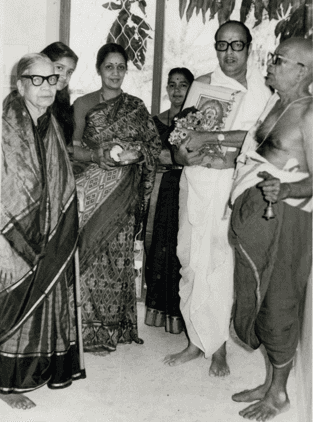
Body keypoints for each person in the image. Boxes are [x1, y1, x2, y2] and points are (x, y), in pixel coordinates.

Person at [164, 21, 273, 377]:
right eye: (222, 45)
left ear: (248, 48)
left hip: (239, 188)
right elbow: (182, 142)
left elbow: (263, 137)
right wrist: (188, 153)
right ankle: (196, 340)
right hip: (198, 182)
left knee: (223, 264)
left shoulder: (265, 90)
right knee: (192, 260)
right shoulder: (204, 86)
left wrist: (214, 138)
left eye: (236, 45)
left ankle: (220, 347)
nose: (229, 53)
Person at [227, 37, 312, 421]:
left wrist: (288, 188)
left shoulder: (309, 113)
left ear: (303, 70)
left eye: (280, 60)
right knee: (258, 295)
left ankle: (278, 394)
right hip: (260, 214)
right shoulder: (277, 103)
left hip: (288, 220)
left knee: (279, 301)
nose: (271, 65)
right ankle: (268, 382)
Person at [0, 53, 84, 410]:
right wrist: (9, 239)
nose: (48, 86)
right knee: (11, 302)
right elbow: (8, 190)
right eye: (38, 79)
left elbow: (57, 179)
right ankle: (3, 383)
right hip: (13, 235)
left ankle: (33, 370)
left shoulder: (48, 121)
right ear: (20, 84)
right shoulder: (8, 123)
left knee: (43, 300)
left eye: (53, 79)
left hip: (47, 230)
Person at [69, 43, 158, 353]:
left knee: (116, 260)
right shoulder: (82, 104)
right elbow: (71, 149)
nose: (116, 72)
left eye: (121, 67)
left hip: (123, 193)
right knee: (88, 258)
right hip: (91, 191)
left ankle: (111, 330)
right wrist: (98, 156)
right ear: (99, 69)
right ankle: (83, 331)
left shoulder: (136, 106)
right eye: (110, 66)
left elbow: (153, 147)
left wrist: (136, 154)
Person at [144, 67, 195, 335]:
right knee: (161, 245)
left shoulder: (197, 121)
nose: (177, 90)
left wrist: (169, 157)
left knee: (182, 248)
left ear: (191, 88)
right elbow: (151, 156)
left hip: (189, 186)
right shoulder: (156, 121)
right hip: (163, 188)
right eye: (172, 85)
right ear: (166, 88)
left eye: (183, 85)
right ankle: (160, 312)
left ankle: (182, 314)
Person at [41, 42, 79, 144]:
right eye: (59, 68)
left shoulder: (61, 103)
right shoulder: (30, 100)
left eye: (69, 72)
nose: (64, 76)